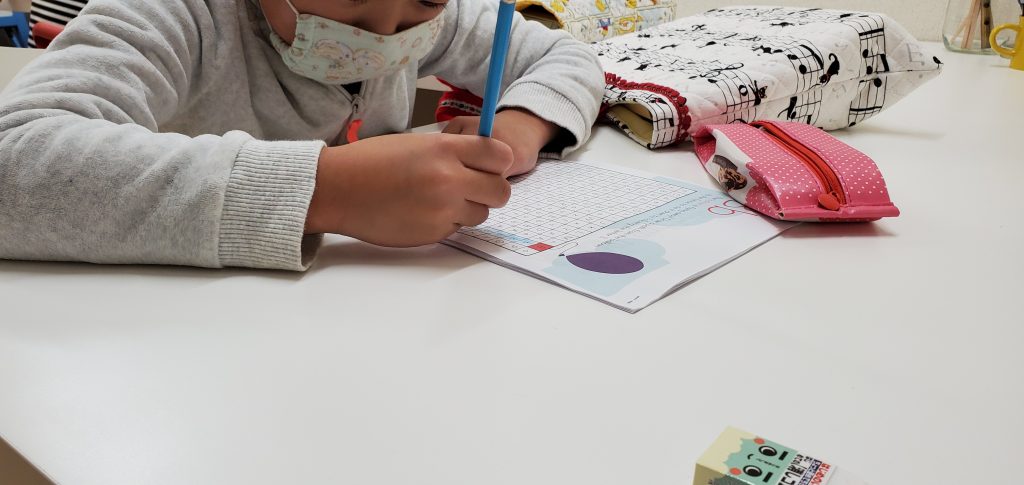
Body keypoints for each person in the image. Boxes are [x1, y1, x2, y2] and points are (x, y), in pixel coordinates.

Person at [0, 0, 605, 270]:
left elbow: (567, 57)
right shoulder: (175, 14)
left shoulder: (433, 18)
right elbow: (13, 161)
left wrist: (520, 129)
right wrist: (328, 190)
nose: (386, 33)